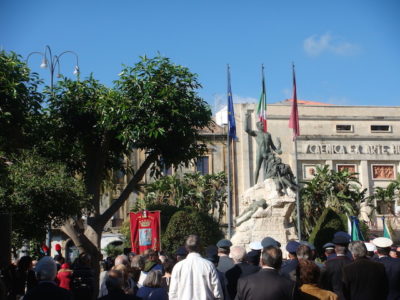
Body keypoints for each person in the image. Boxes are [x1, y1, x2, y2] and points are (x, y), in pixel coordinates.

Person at [169, 234, 222, 300]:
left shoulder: (178, 266)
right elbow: (217, 292)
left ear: (186, 247)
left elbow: (173, 293)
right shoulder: (209, 265)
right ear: (200, 247)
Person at [244, 112, 282, 184]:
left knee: (274, 165)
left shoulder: (268, 134)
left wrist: (278, 150)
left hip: (268, 153)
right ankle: (255, 184)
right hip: (260, 152)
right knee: (257, 168)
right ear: (258, 126)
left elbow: (272, 146)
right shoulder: (256, 133)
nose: (263, 125)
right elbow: (246, 129)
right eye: (261, 124)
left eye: (263, 124)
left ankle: (273, 181)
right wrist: (246, 118)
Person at [320, 235, 352, 299]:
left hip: (333, 297)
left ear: (335, 249)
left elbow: (324, 283)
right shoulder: (352, 263)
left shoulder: (328, 264)